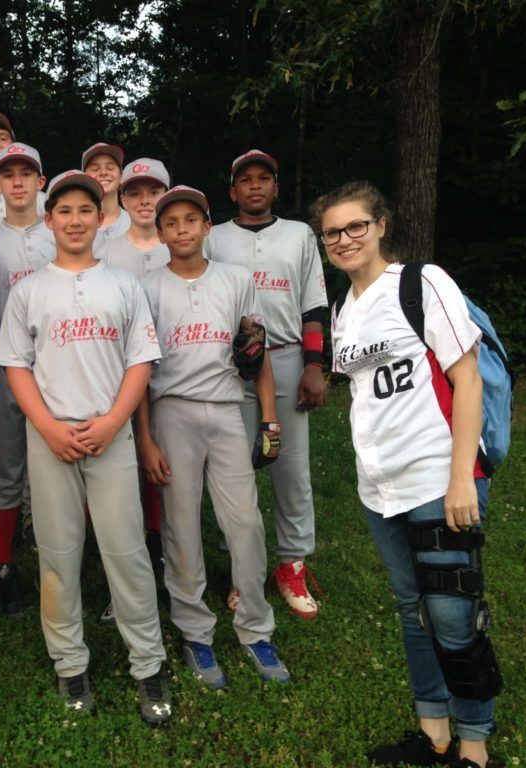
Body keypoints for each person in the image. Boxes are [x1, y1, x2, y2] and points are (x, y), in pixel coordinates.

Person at [316, 181, 500, 768]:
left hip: (437, 477)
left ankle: (474, 747)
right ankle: (434, 735)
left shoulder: (422, 283)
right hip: (380, 486)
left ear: (381, 226)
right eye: (333, 232)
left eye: (356, 227)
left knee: (452, 612)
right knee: (412, 608)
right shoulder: (343, 309)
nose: (345, 239)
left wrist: (462, 477)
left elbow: (466, 378)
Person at [0, 169, 172, 726]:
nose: (75, 220)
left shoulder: (123, 285)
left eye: (85, 210)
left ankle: (148, 663)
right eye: (64, 211)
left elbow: (140, 361)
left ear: (102, 218)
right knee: (58, 554)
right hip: (51, 439)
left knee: (126, 553)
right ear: (49, 221)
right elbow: (16, 367)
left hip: (110, 435)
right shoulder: (28, 289)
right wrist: (47, 426)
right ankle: (70, 661)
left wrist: (115, 420)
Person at [137, 185, 289, 687]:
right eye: (171, 222)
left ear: (207, 225)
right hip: (172, 410)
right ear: (160, 233)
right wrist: (145, 439)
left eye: (190, 220)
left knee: (244, 521)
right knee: (181, 524)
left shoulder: (236, 280)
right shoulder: (147, 286)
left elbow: (256, 351)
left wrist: (268, 420)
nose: (181, 229)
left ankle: (254, 627)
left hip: (227, 408)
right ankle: (196, 633)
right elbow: (138, 369)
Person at [206, 149, 328, 620]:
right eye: (245, 180)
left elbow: (314, 305)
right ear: (233, 190)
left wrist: (315, 365)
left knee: (290, 467)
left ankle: (291, 562)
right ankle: (243, 568)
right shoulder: (214, 237)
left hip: (287, 355)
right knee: (233, 470)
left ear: (276, 187)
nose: (255, 186)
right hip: (230, 364)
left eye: (264, 179)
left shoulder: (299, 234)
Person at [0, 142, 54, 613]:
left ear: (40, 181)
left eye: (27, 172)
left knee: (54, 464)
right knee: (6, 462)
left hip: (56, 365)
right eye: (9, 174)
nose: (18, 181)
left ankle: (55, 554)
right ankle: (5, 562)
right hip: (4, 362)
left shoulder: (60, 231)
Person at [97, 157, 171, 626]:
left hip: (178, 373)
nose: (145, 201)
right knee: (124, 477)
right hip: (123, 375)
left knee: (168, 471)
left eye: (153, 191)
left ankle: (167, 556)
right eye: (136, 192)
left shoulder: (181, 240)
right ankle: (120, 573)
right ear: (122, 199)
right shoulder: (106, 248)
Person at [81, 142, 130, 248]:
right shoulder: (75, 225)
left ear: (121, 176)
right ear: (84, 177)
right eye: (94, 169)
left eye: (110, 168)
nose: (103, 172)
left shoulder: (134, 223)